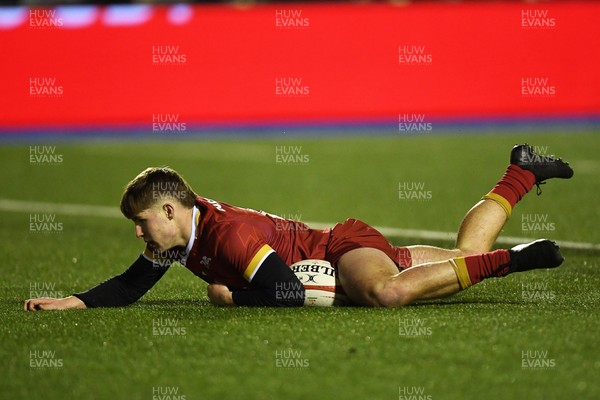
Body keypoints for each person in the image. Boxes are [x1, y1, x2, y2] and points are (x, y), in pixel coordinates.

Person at [23, 144, 573, 310]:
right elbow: (132, 284)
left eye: (142, 224)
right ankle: (520, 173)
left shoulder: (227, 235)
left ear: (169, 211)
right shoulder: (180, 236)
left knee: (386, 295)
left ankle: (516, 258)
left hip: (340, 249)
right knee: (460, 256)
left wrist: (232, 299)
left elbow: (284, 290)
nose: (139, 235)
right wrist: (74, 302)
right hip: (337, 257)